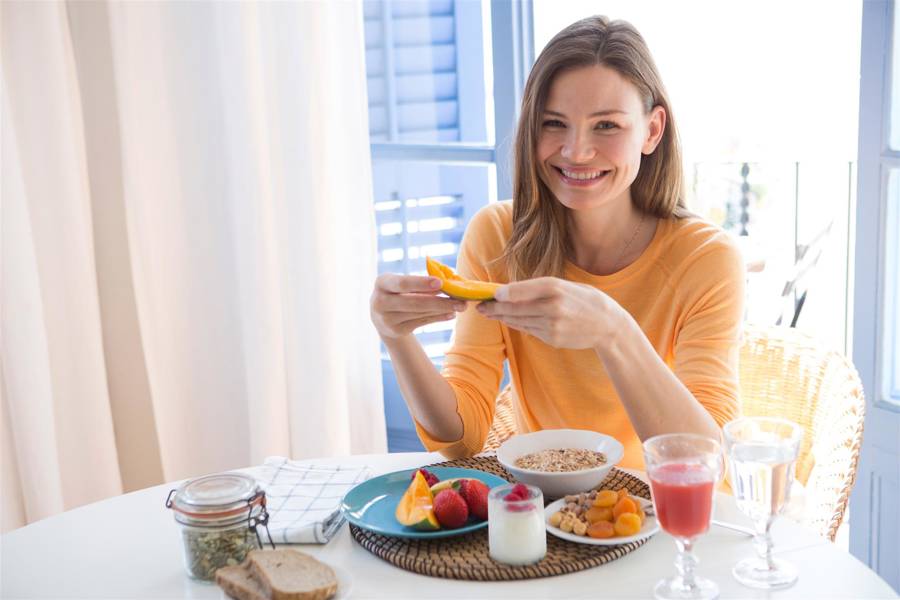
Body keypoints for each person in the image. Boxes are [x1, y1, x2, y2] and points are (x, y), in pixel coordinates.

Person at [369, 15, 744, 470]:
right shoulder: (496, 237)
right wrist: (396, 337)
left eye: (606, 126)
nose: (576, 151)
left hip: (659, 518)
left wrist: (612, 330)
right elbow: (460, 439)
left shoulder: (706, 259)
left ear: (651, 131)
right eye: (554, 124)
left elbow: (707, 460)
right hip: (543, 517)